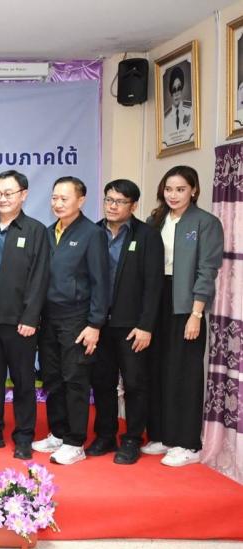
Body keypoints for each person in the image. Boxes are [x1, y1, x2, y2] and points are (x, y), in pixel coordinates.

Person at [144, 166, 224, 467]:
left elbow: (207, 271)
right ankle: (163, 435)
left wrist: (196, 313)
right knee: (156, 369)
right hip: (157, 301)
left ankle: (187, 443)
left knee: (184, 372)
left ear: (194, 190)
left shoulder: (206, 222)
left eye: (180, 189)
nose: (173, 195)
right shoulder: (156, 221)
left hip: (186, 305)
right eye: (169, 189)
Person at [32, 176, 109, 465]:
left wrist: (95, 324)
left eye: (64, 198)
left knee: (75, 379)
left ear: (81, 200)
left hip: (77, 318)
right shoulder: (48, 232)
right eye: (54, 198)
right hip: (49, 317)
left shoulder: (92, 234)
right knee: (52, 378)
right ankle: (59, 432)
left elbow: (101, 282)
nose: (58, 203)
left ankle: (75, 442)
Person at [87, 180, 163, 465]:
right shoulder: (93, 232)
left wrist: (146, 326)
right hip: (98, 323)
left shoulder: (146, 236)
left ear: (133, 205)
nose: (112, 206)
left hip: (131, 325)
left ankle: (132, 439)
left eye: (119, 201)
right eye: (108, 200)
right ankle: (105, 435)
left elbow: (154, 285)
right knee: (102, 382)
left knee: (134, 383)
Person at [0, 170, 49, 460]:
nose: (2, 199)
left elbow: (39, 277)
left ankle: (24, 436)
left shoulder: (35, 230)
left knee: (23, 382)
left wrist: (31, 318)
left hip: (20, 323)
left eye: (8, 193)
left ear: (23, 195)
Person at [162, 65, 193, 146]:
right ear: (171, 92)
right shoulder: (165, 118)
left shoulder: (191, 109)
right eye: (174, 90)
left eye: (179, 88)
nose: (176, 93)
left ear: (182, 89)